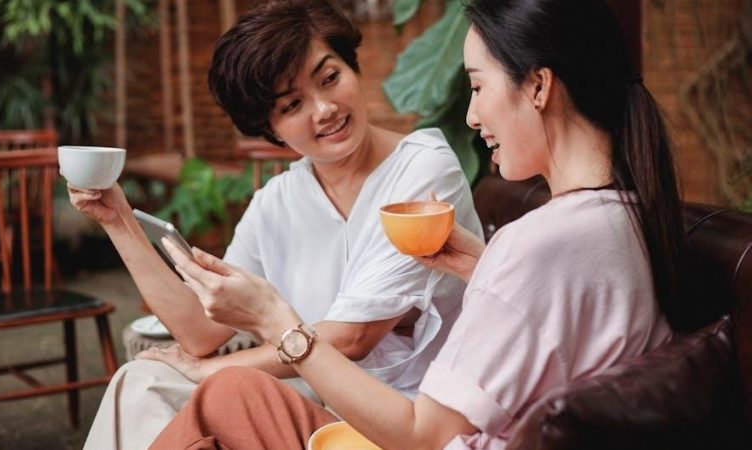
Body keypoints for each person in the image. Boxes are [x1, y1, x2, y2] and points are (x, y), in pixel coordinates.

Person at [147, 0, 686, 448]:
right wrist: (488, 270)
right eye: (291, 105)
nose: (471, 117)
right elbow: (559, 323)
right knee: (214, 396)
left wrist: (277, 323)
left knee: (226, 396)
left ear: (539, 87)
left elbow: (422, 433)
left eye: (477, 87)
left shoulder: (536, 239)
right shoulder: (623, 214)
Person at [69, 1, 481, 449]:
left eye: (330, 78)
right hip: (317, 398)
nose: (324, 109)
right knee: (142, 379)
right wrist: (118, 221)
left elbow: (354, 336)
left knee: (220, 386)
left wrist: (209, 369)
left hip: (402, 417)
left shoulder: (424, 171)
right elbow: (202, 331)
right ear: (270, 128)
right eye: (292, 104)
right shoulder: (277, 201)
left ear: (352, 67)